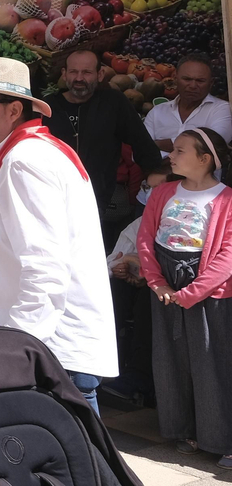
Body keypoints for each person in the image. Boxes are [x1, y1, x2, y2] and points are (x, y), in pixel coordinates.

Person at [0, 56, 117, 414]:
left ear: (13, 110)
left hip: (49, 353)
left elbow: (45, 269)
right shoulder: (36, 152)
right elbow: (50, 248)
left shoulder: (25, 161)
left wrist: (14, 353)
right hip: (55, 350)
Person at [135, 128, 232, 467]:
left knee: (212, 362)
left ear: (204, 159)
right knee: (171, 360)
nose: (171, 156)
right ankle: (183, 429)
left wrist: (193, 292)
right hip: (165, 287)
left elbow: (228, 254)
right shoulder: (163, 193)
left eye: (180, 150)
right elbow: (145, 238)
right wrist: (157, 282)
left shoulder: (227, 199)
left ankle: (222, 438)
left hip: (208, 291)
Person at [45, 49, 162, 218]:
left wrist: (157, 174)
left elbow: (141, 142)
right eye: (73, 72)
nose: (79, 78)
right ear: (64, 74)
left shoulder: (113, 103)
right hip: (50, 195)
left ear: (99, 75)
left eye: (86, 72)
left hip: (95, 198)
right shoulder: (47, 107)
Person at [103, 163, 170, 407]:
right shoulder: (141, 222)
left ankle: (139, 378)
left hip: (173, 290)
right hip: (142, 284)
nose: (151, 195)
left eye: (158, 189)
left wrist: (145, 270)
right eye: (147, 188)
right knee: (114, 290)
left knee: (149, 297)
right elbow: (113, 260)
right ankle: (104, 365)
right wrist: (122, 267)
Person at [146, 53, 232, 150]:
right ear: (175, 79)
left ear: (211, 83)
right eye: (187, 79)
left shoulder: (221, 109)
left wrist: (156, 145)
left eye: (200, 81)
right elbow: (141, 150)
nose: (193, 86)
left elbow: (214, 143)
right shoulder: (157, 112)